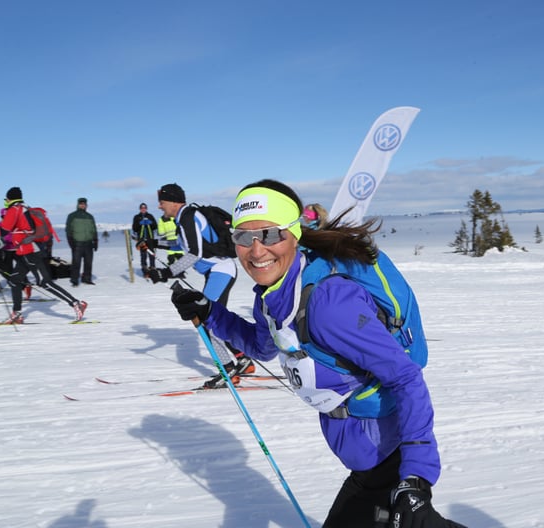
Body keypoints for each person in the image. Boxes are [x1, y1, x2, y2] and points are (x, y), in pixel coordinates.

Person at [170, 179, 466, 528]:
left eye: (269, 234)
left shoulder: (329, 304)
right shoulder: (272, 293)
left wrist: (415, 479)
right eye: (242, 237)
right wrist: (211, 313)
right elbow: (262, 347)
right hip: (365, 456)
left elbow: (405, 377)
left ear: (294, 233)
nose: (255, 249)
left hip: (391, 456)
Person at [144, 183, 252, 387]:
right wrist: (154, 243)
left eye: (162, 202)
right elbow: (183, 244)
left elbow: (195, 253)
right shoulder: (185, 217)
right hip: (217, 272)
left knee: (207, 320)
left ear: (174, 201)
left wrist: (166, 272)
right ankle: (242, 358)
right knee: (215, 318)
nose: (159, 206)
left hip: (220, 271)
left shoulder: (187, 217)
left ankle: (229, 370)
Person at [0, 187, 87, 324]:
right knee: (14, 280)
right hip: (24, 251)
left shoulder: (15, 209)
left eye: (6, 199)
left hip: (29, 251)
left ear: (9, 199)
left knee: (44, 282)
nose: (5, 202)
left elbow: (3, 231)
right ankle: (17, 314)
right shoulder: (24, 207)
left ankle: (76, 303)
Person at [65, 197, 98, 286]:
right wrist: (70, 241)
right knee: (76, 263)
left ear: (86, 205)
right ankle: (74, 280)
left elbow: (93, 229)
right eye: (81, 204)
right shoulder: (72, 216)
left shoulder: (90, 216)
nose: (83, 205)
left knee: (88, 262)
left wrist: (95, 240)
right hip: (77, 243)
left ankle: (87, 279)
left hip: (88, 243)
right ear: (78, 205)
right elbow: (68, 229)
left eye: (84, 204)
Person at [132, 202, 157, 277]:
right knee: (143, 255)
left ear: (146, 208)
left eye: (144, 208)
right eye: (142, 208)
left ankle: (152, 269)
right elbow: (134, 228)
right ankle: (145, 270)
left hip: (150, 238)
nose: (143, 209)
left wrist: (151, 223)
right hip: (141, 239)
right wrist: (140, 223)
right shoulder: (137, 217)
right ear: (140, 209)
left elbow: (155, 226)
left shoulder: (150, 216)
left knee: (152, 254)